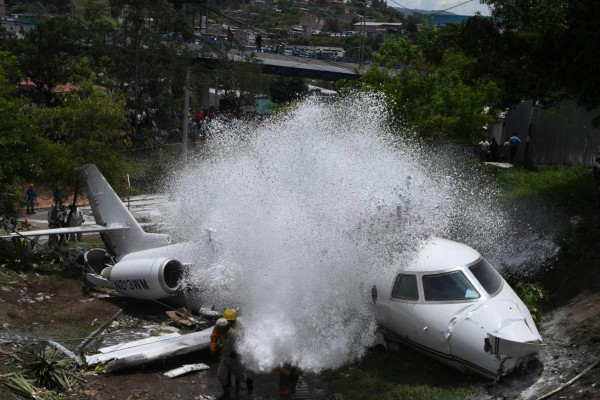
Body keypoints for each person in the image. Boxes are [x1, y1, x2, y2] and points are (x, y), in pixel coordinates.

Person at [209, 310, 253, 398]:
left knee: (238, 373)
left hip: (235, 354)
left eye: (231, 321)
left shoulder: (236, 329)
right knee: (223, 374)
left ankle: (242, 384)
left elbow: (241, 341)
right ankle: (228, 390)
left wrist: (236, 352)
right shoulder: (220, 325)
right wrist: (213, 348)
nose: (229, 322)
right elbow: (214, 337)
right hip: (225, 353)